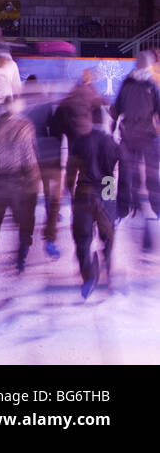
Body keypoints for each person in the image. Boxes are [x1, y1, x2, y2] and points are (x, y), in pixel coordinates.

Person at [0, 95, 40, 273]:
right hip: (18, 180)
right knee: (22, 218)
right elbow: (29, 156)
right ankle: (21, 258)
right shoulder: (24, 126)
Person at [66, 106, 120, 298]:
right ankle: (109, 264)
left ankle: (88, 275)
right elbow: (114, 171)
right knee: (108, 230)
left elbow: (71, 169)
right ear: (105, 121)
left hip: (84, 188)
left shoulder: (80, 141)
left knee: (82, 238)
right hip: (106, 185)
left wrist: (69, 189)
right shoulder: (111, 142)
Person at [112, 51, 160, 247]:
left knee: (150, 175)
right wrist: (113, 126)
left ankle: (155, 209)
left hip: (145, 135)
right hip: (130, 134)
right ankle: (124, 209)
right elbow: (118, 107)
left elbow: (158, 109)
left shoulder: (151, 85)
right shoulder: (130, 83)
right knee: (126, 173)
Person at [22, 78, 65, 259]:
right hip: (47, 152)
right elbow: (55, 127)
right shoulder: (45, 104)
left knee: (30, 197)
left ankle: (25, 241)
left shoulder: (21, 106)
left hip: (28, 153)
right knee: (52, 195)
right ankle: (49, 238)